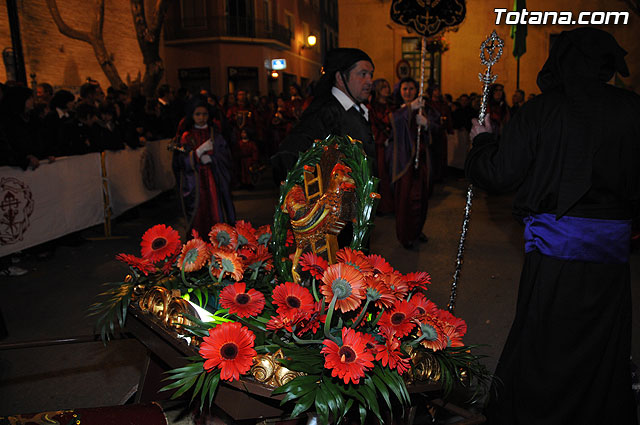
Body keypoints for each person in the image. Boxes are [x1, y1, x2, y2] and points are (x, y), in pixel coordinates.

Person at [465, 28, 640, 425]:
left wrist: (482, 143)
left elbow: (498, 175)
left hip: (553, 259)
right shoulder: (633, 110)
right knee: (600, 344)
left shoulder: (540, 111)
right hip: (609, 262)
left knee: (545, 341)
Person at [272, 47, 376, 182]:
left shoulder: (356, 110)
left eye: (370, 75)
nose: (369, 81)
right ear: (340, 78)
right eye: (363, 74)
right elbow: (288, 159)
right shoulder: (324, 114)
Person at [176, 98, 235, 237]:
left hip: (213, 178)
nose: (201, 118)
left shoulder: (215, 134)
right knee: (199, 212)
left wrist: (213, 158)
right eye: (198, 114)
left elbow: (225, 156)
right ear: (192, 115)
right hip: (195, 181)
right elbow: (181, 161)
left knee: (215, 209)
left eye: (204, 114)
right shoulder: (187, 136)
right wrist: (196, 154)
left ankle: (219, 241)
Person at [388, 77, 431, 250]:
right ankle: (405, 236)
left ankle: (416, 230)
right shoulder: (397, 110)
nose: (408, 92)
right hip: (403, 161)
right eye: (405, 89)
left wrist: (426, 125)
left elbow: (436, 128)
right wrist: (409, 109)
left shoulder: (422, 110)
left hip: (420, 161)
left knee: (420, 199)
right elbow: (392, 120)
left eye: (412, 89)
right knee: (405, 200)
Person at [369, 78, 394, 214]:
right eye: (383, 87)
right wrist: (382, 139)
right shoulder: (373, 108)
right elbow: (373, 128)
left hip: (394, 144)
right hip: (381, 146)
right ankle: (384, 206)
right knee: (382, 174)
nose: (387, 89)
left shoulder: (392, 105)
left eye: (388, 86)